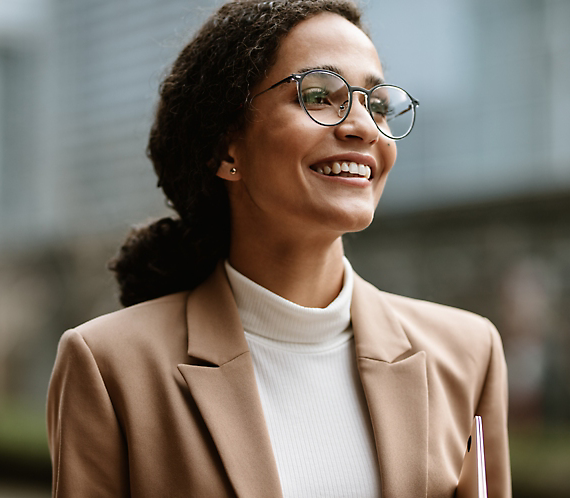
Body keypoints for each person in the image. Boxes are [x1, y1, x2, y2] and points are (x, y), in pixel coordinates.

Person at [46, 1, 511, 497]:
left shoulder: (467, 354)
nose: (363, 126)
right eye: (318, 95)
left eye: (376, 104)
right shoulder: (109, 365)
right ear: (227, 150)